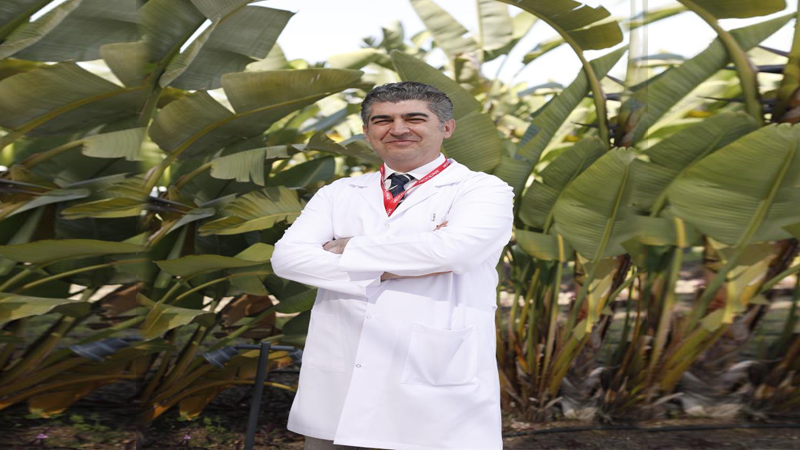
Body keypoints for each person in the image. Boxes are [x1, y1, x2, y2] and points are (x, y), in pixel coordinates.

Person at [271, 81, 513, 450]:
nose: (398, 129)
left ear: (446, 128)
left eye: (414, 118)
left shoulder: (482, 190)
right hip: (340, 376)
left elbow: (457, 252)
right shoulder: (338, 193)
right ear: (367, 132)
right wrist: (402, 261)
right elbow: (288, 259)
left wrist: (349, 247)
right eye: (382, 120)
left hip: (433, 378)